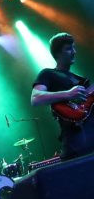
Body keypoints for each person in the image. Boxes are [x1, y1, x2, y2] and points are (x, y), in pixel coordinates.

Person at [31, 32, 94, 160]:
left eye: (74, 47)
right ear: (58, 53)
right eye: (69, 48)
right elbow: (35, 98)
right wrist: (68, 94)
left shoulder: (82, 80)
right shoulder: (48, 74)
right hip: (74, 146)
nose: (74, 52)